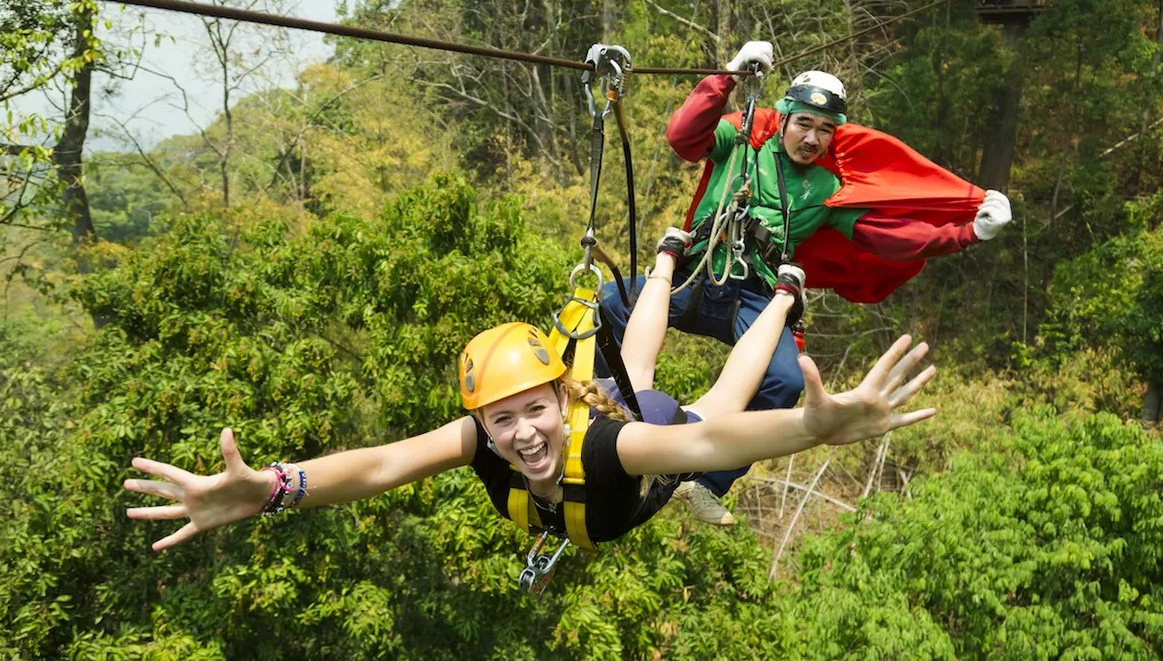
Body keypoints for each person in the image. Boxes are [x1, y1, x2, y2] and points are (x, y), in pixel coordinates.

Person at [123, 234, 937, 555]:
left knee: (714, 399)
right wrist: (270, 490)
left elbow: (705, 447)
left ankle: (787, 296)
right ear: (480, 419)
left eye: (533, 411)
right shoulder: (484, 438)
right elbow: (377, 465)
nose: (520, 436)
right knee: (641, 372)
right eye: (500, 420)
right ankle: (662, 260)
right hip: (609, 420)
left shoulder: (612, 443)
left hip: (638, 444)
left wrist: (809, 428)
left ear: (561, 398)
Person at [598, 41, 1012, 525]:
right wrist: (729, 75)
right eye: (804, 124)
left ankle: (704, 481)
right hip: (701, 272)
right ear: (785, 118)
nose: (813, 138)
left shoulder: (827, 190)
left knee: (786, 378)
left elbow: (888, 238)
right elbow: (683, 136)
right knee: (608, 303)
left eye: (825, 131)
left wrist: (967, 232)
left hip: (754, 296)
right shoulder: (741, 137)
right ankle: (605, 408)